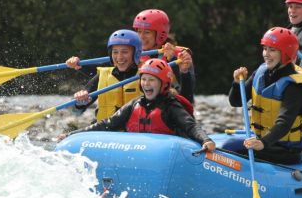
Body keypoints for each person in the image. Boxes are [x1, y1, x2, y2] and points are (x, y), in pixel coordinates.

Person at [60, 58, 215, 152]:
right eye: (144, 79)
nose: (146, 83)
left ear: (164, 84)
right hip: (138, 152)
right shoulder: (135, 104)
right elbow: (107, 124)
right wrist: (71, 135)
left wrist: (206, 140)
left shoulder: (171, 106)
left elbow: (191, 126)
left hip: (165, 154)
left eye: (152, 80)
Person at [224, 27, 302, 164]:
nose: (266, 54)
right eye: (265, 49)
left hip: (287, 149)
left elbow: (284, 122)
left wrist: (263, 143)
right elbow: (235, 101)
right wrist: (237, 83)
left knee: (230, 147)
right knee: (228, 146)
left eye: (272, 50)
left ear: (286, 54)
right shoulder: (261, 72)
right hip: (266, 141)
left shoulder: (294, 85)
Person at [66, 29, 142, 122]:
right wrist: (79, 102)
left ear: (136, 53)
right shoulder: (103, 75)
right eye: (115, 52)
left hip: (135, 131)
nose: (119, 57)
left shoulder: (145, 77)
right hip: (105, 131)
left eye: (125, 52)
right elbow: (75, 112)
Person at [132, 9, 196, 103]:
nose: (141, 36)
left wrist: (173, 61)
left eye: (147, 32)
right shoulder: (131, 55)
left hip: (169, 109)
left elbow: (188, 96)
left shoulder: (181, 55)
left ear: (160, 34)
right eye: (139, 31)